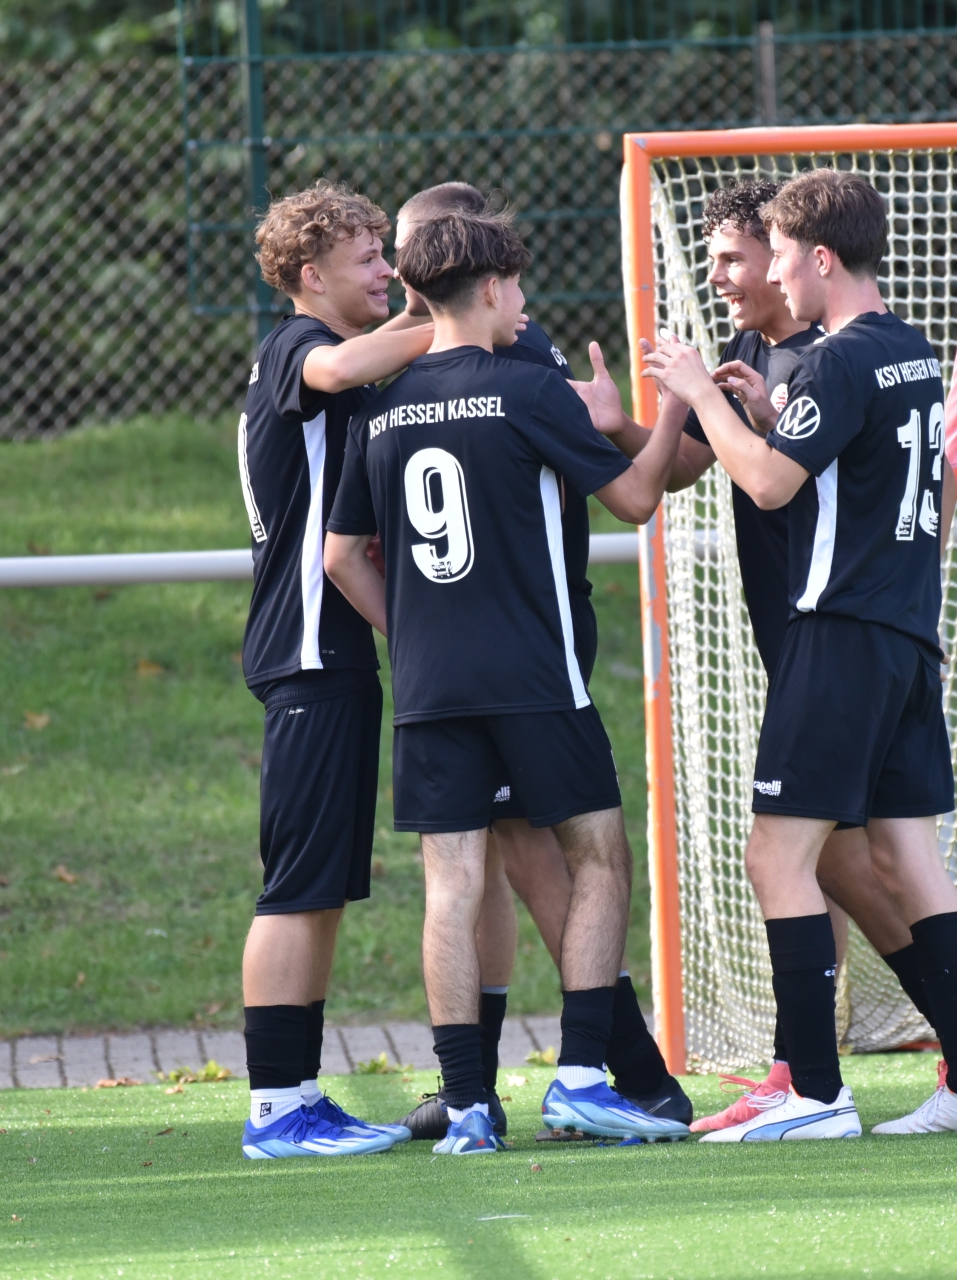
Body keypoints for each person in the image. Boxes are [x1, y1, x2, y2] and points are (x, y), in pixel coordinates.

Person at [578, 177, 957, 1132]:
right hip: (907, 634)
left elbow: (771, 487)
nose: (774, 273)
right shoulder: (910, 350)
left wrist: (700, 395)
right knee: (909, 857)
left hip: (836, 631)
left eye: (778, 255)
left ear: (821, 259)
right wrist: (750, 413)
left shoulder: (838, 358)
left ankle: (812, 1090)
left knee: (777, 855)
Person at [324, 208, 690, 1154]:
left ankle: (467, 1105)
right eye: (517, 284)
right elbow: (637, 498)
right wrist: (672, 410)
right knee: (599, 858)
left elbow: (341, 558)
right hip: (536, 676)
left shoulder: (381, 406)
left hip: (431, 689)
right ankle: (581, 1078)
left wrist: (415, 635)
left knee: (450, 885)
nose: (522, 301)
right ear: (490, 289)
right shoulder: (527, 387)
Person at [235, 180, 433, 1160]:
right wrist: (445, 321)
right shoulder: (296, 348)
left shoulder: (344, 363)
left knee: (320, 890)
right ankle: (276, 1107)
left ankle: (301, 1094)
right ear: (310, 275)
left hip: (336, 658)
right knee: (295, 887)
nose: (388, 272)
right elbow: (348, 361)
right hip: (308, 653)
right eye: (369, 258)